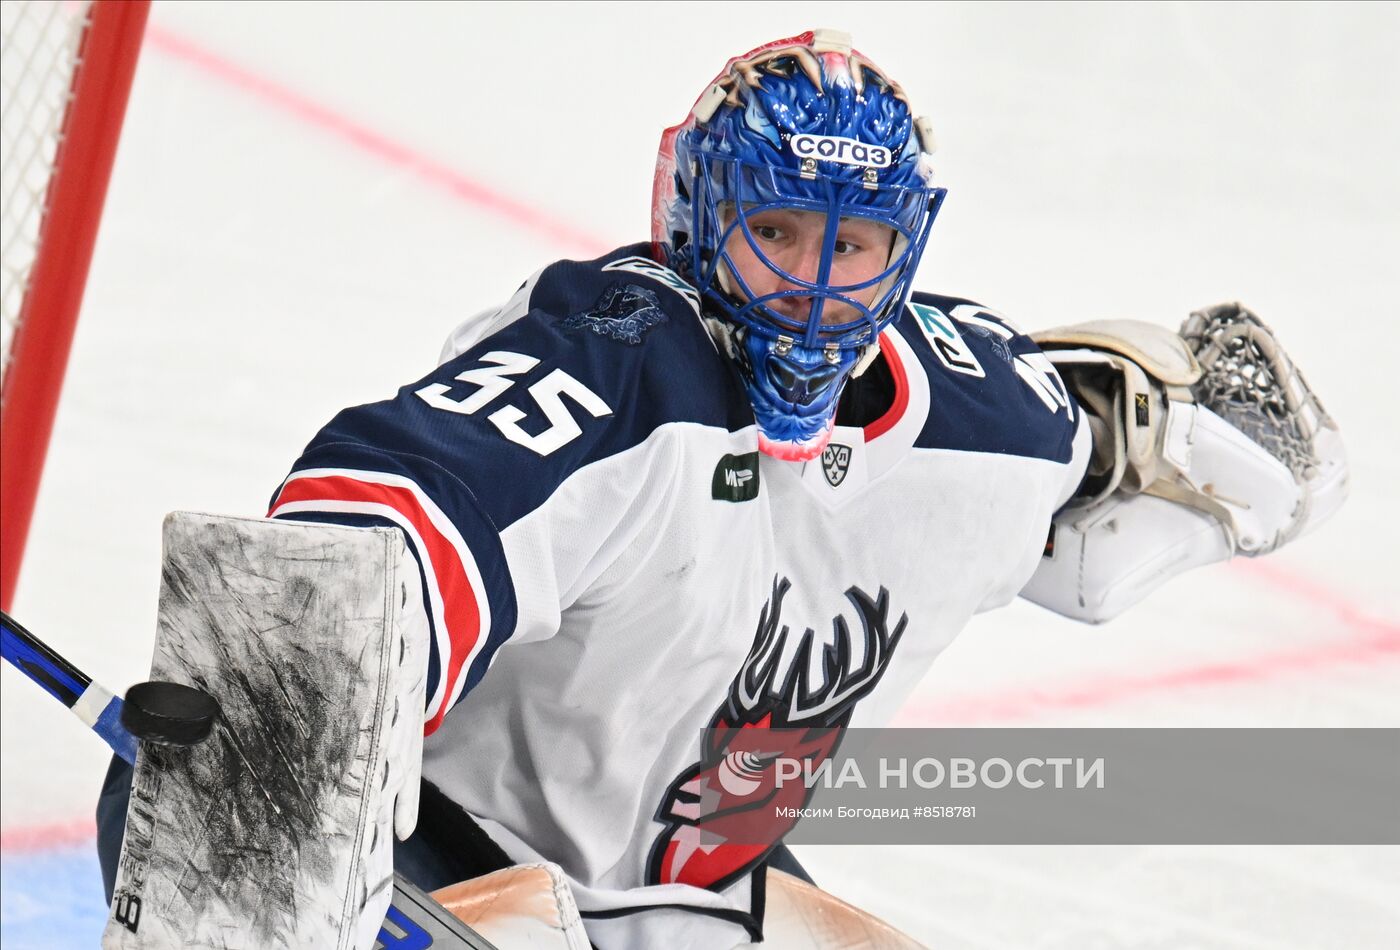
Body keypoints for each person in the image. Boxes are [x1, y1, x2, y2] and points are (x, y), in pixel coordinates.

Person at [98, 29, 1346, 948]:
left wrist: (1248, 453)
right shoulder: (615, 366)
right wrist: (275, 760)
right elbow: (383, 532)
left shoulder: (988, 421)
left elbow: (1140, 473)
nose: (811, 288)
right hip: (432, 851)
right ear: (696, 215)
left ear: (904, 248)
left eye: (849, 246)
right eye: (777, 234)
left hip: (688, 881)